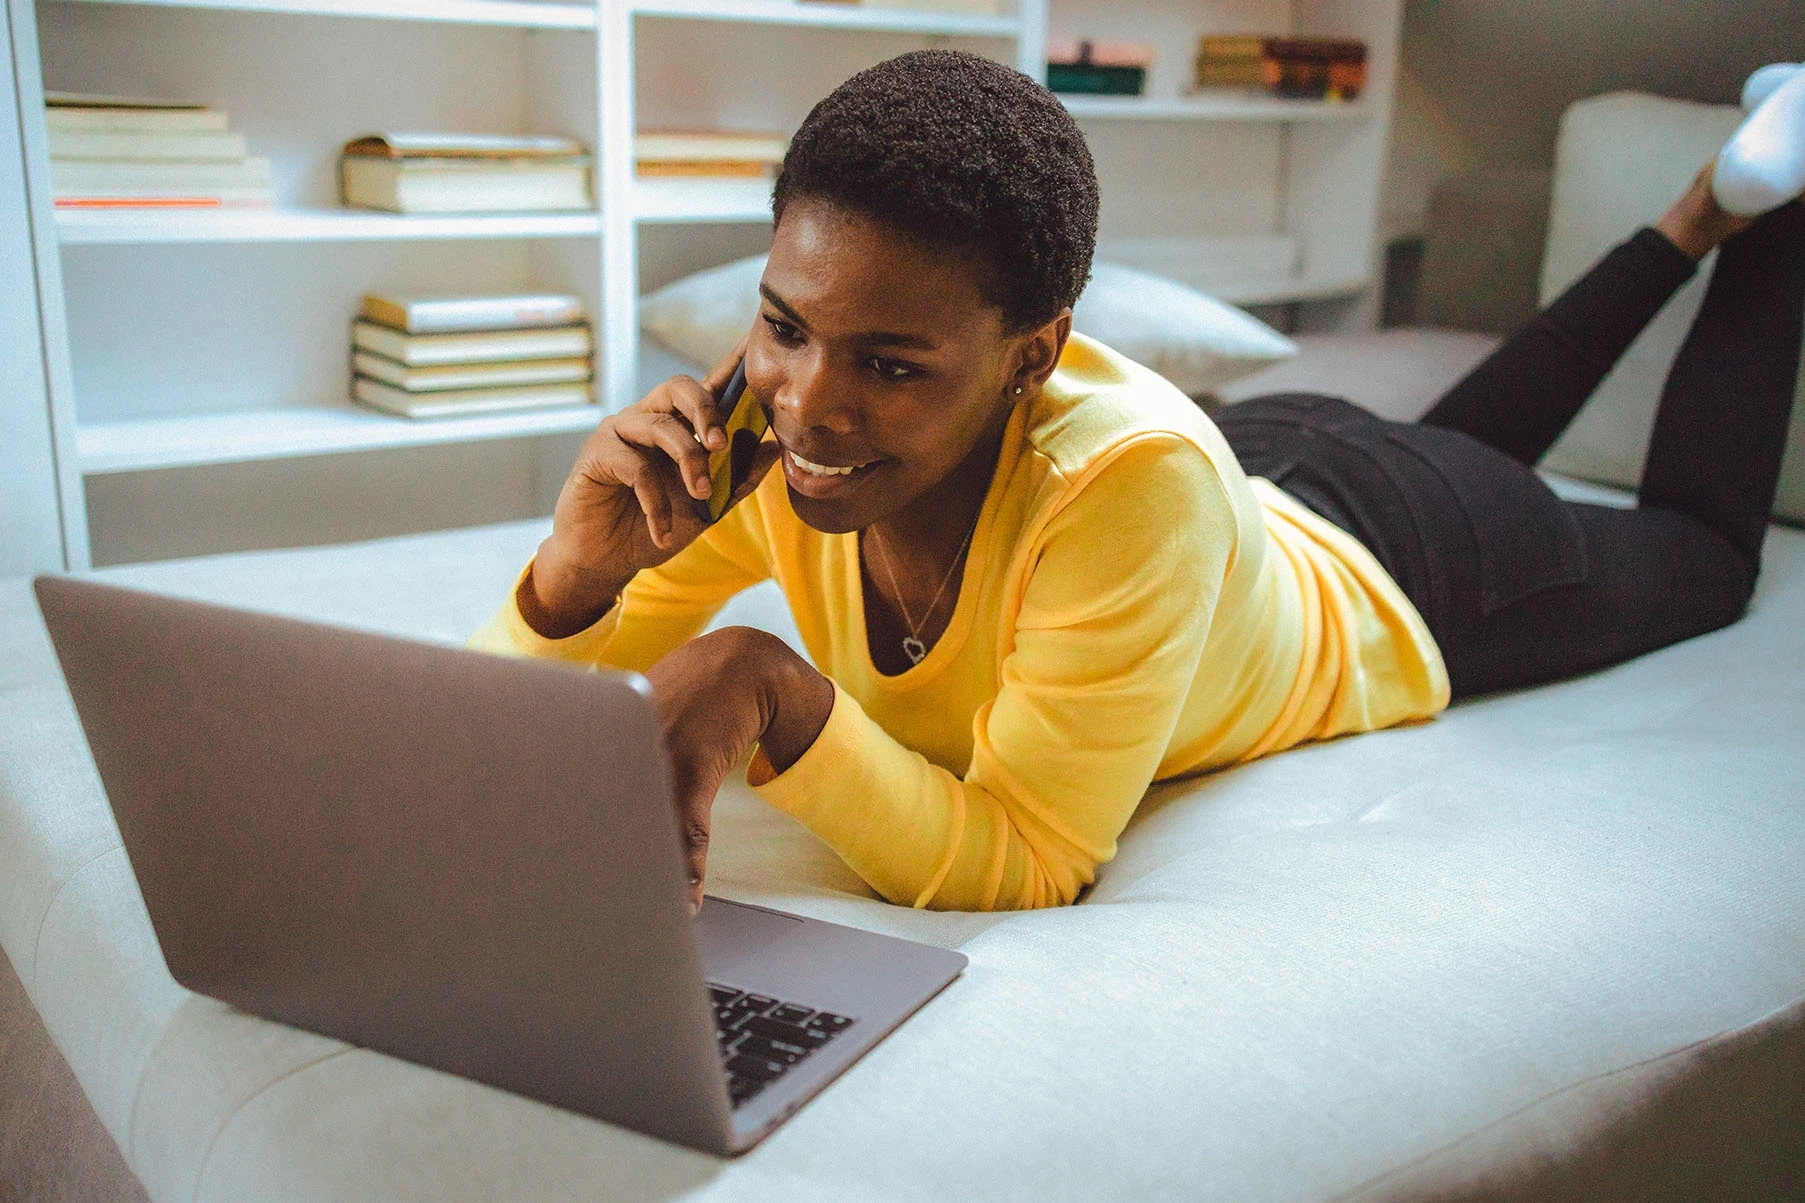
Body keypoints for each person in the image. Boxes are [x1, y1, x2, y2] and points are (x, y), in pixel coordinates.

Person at [471, 51, 1805, 913]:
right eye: (786, 324)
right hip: (1260, 464)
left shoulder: (1126, 486)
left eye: (887, 362)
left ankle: (1765, 201)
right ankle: (1694, 209)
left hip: (1403, 558)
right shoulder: (773, 438)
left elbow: (1030, 851)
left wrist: (771, 683)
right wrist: (575, 573)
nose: (810, 403)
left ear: (1033, 353)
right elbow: (495, 713)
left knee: (1701, 549)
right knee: (1468, 426)